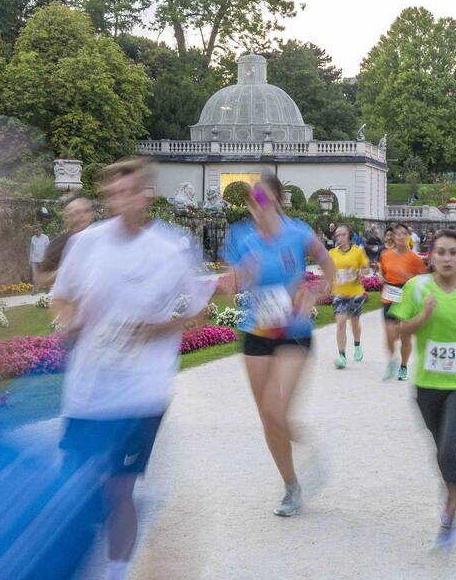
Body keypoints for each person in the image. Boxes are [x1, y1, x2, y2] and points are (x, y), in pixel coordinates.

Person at [51, 158, 215, 580]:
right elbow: (61, 297)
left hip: (142, 393)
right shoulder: (86, 243)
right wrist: (70, 318)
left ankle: (116, 572)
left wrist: (155, 328)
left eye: (130, 192)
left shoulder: (172, 248)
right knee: (77, 491)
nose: (121, 201)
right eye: (114, 194)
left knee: (119, 488)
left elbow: (198, 312)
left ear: (147, 196)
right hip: (88, 391)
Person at [221, 174, 336, 517]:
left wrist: (316, 291)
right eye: (251, 199)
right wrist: (241, 276)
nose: (256, 204)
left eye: (262, 197)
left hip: (294, 331)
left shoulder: (298, 232)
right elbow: (232, 282)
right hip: (256, 332)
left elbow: (328, 266)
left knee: (277, 411)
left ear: (276, 199)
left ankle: (307, 451)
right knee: (268, 419)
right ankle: (291, 485)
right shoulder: (240, 236)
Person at [389, 229, 456, 551]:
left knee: (448, 451)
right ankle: (451, 489)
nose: (447, 258)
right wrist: (424, 315)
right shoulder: (416, 288)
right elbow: (396, 331)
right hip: (427, 386)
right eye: (441, 253)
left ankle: (451, 511)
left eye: (453, 253)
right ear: (430, 256)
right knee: (441, 452)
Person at [379, 222, 427, 381]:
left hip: (407, 296)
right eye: (396, 233)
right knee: (390, 335)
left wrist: (408, 278)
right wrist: (380, 277)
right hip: (390, 295)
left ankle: (404, 366)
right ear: (393, 237)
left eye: (402, 233)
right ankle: (392, 359)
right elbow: (382, 271)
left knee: (405, 335)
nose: (399, 236)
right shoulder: (386, 255)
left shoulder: (414, 258)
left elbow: (424, 279)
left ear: (408, 237)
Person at [329, 224, 371, 369]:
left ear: (349, 236)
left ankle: (357, 344)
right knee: (340, 323)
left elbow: (366, 269)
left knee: (354, 323)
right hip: (339, 293)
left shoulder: (357, 251)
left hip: (355, 293)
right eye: (337, 235)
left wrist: (358, 272)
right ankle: (342, 356)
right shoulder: (332, 253)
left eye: (343, 234)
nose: (339, 237)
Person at [37, 196, 94, 288]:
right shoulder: (59, 245)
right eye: (76, 213)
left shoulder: (103, 237)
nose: (82, 215)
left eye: (86, 211)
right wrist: (63, 271)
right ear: (67, 218)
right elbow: (41, 278)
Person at [29, 226, 50, 293]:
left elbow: (48, 249)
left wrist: (46, 258)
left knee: (44, 274)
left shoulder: (45, 237)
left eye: (37, 231)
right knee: (35, 275)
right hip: (34, 259)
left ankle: (47, 287)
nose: (36, 233)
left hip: (42, 259)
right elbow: (31, 248)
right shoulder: (33, 238)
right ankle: (35, 290)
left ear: (41, 231)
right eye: (35, 232)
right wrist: (30, 258)